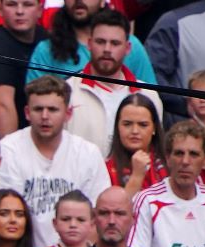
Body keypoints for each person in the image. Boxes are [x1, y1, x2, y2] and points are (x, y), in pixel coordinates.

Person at [0, 76, 110, 247]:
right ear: (26, 112)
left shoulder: (87, 153)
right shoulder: (8, 149)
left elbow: (98, 218)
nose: (45, 116)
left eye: (53, 109)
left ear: (68, 114)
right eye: (38, 109)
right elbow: (2, 213)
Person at [64, 9, 162, 157]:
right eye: (100, 42)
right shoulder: (67, 91)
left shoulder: (149, 95)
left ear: (128, 48)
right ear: (89, 44)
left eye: (115, 43)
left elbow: (156, 152)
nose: (107, 50)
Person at [25, 0, 155, 87]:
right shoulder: (46, 50)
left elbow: (149, 98)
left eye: (114, 44)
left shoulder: (132, 46)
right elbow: (37, 105)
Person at [0, 0, 48, 135]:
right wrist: (10, 152)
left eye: (27, 4)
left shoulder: (46, 39)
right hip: (19, 139)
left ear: (40, 10)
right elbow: (2, 106)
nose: (20, 11)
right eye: (12, 4)